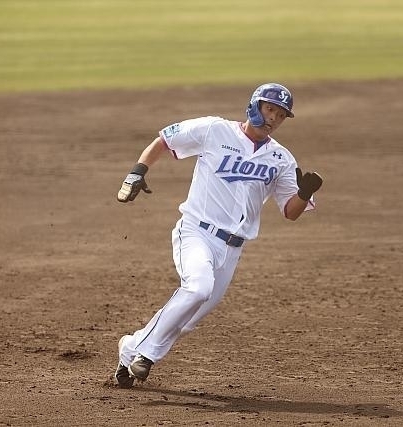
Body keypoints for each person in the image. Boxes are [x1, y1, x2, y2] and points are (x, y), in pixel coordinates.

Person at [113, 83, 323, 388]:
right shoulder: (215, 130)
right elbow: (165, 139)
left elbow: (290, 211)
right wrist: (137, 172)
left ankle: (130, 348)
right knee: (197, 288)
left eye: (281, 114)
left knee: (188, 319)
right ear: (255, 106)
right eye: (270, 109)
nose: (274, 118)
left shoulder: (281, 160)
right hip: (197, 232)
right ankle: (147, 356)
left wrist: (304, 193)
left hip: (232, 250)